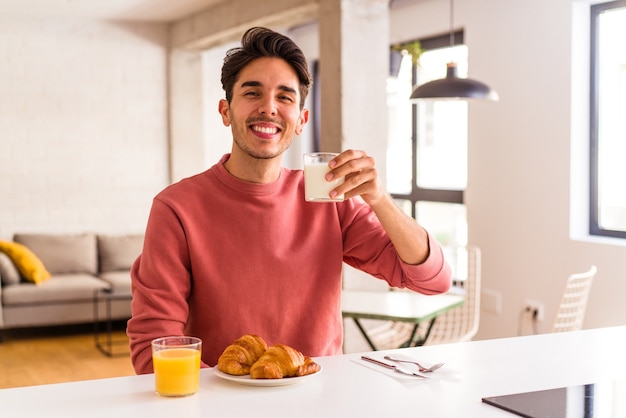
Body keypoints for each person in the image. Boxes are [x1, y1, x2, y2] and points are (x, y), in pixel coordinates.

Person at [127, 26, 452, 374]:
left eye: (285, 97)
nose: (269, 108)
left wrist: (379, 198)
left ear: (301, 120)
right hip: (222, 402)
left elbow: (432, 280)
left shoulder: (329, 200)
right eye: (252, 93)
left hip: (320, 398)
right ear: (225, 111)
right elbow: (154, 347)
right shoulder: (177, 208)